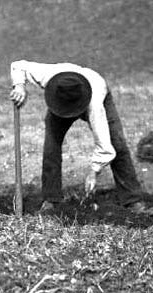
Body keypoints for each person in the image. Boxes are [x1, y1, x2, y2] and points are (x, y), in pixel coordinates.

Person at [9, 60, 150, 214]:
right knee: (51, 146)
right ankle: (51, 200)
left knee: (117, 144)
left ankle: (132, 200)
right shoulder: (48, 76)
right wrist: (19, 86)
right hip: (60, 100)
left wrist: (93, 172)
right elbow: (18, 65)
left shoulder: (95, 106)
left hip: (94, 93)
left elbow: (104, 145)